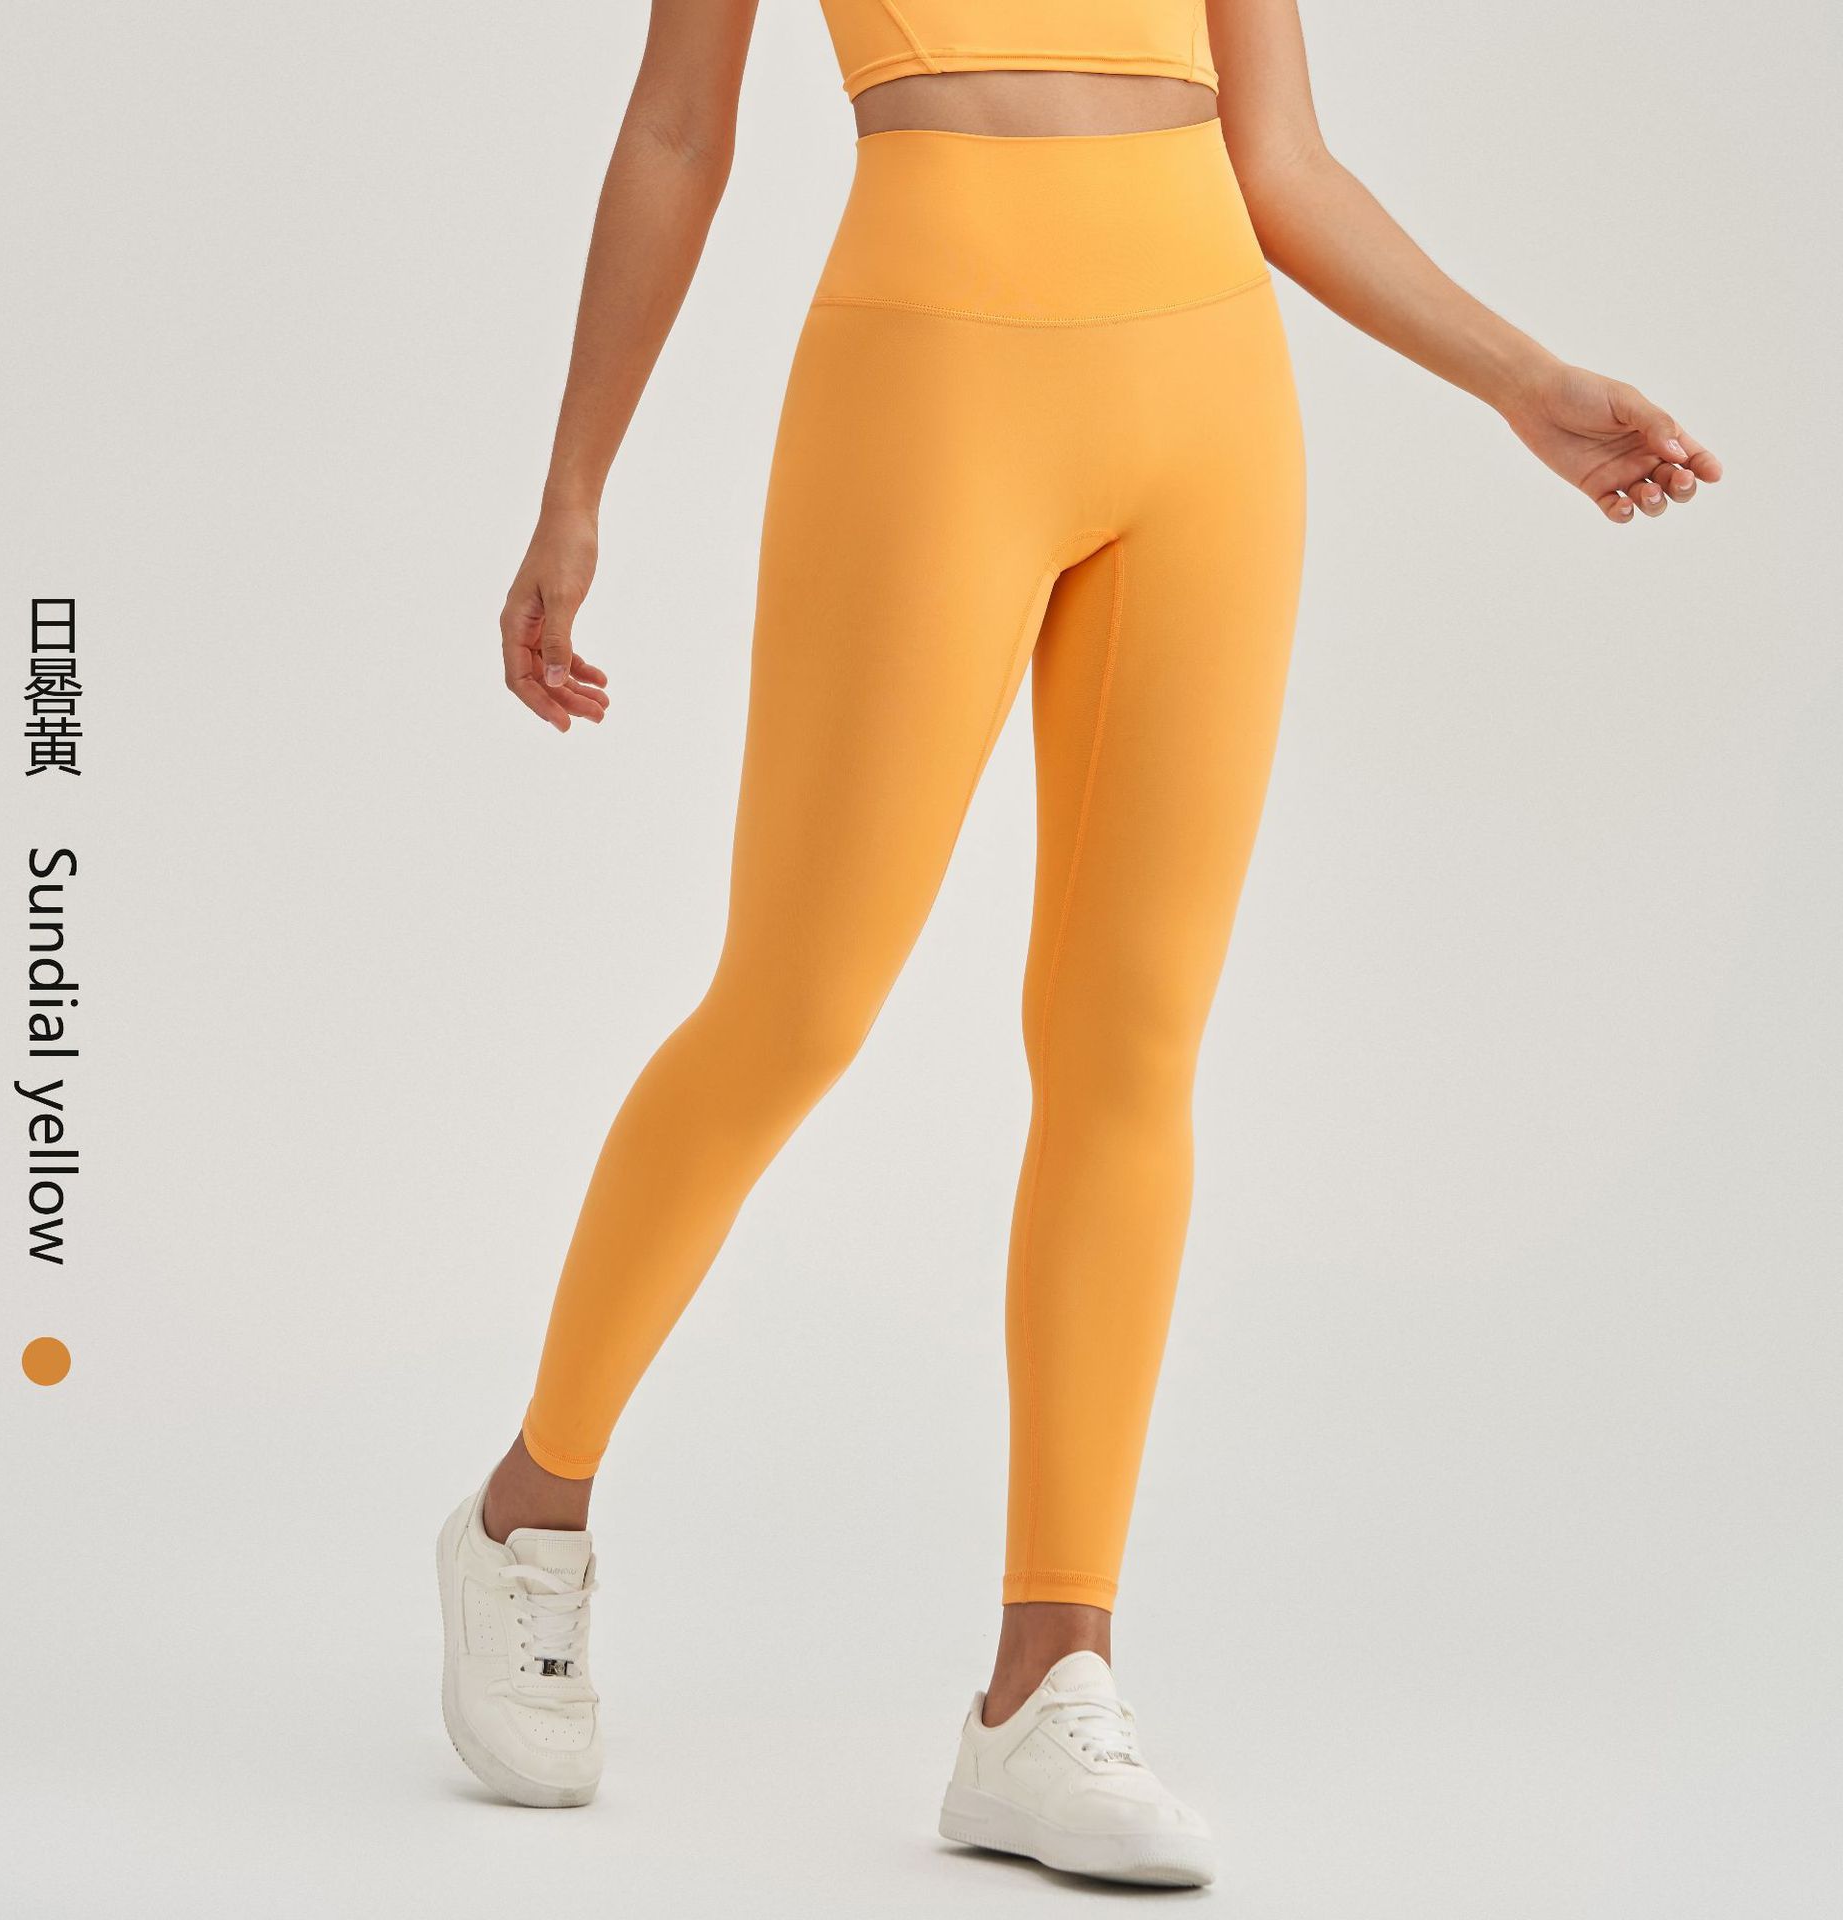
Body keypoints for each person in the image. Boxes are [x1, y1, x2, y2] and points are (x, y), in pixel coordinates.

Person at [436, 0, 1719, 1885]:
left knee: (1131, 1044)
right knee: (796, 1006)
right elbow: (677, 131)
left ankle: (1048, 1683)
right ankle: (526, 1518)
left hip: (1209, 400)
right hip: (929, 383)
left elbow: (1280, 158)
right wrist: (574, 490)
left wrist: (1518, 379)